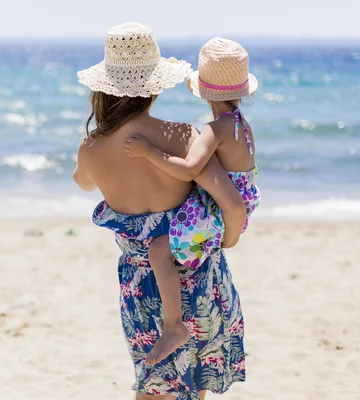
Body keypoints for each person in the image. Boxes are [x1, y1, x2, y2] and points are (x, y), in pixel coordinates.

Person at [73, 23, 247, 399]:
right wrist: (228, 241)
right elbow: (232, 201)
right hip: (200, 271)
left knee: (151, 383)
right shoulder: (186, 137)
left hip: (141, 284)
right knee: (194, 386)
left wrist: (92, 149)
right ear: (156, 85)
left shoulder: (91, 147)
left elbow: (84, 183)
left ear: (105, 87)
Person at [122, 37, 261, 364]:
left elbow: (187, 170)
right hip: (241, 195)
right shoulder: (240, 124)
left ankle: (174, 327)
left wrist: (148, 151)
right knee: (168, 246)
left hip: (222, 205)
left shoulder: (215, 128)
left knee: (158, 249)